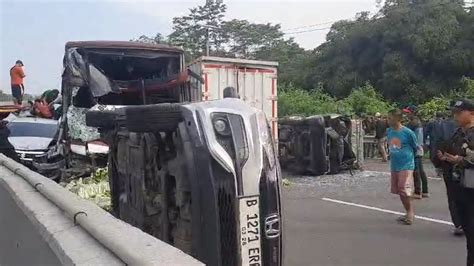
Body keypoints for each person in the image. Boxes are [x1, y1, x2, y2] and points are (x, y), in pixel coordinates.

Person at [437, 99, 474, 265]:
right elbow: (449, 151)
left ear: (471, 113)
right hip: (460, 187)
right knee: (468, 231)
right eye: (455, 112)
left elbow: (464, 159)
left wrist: (462, 160)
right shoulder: (457, 133)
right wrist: (442, 158)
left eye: (460, 112)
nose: (456, 116)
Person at [432, 114, 463, 236]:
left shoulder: (441, 125)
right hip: (457, 165)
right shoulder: (459, 129)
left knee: (453, 196)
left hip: (449, 165)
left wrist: (437, 162)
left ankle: (459, 223)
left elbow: (437, 143)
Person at [387, 108, 419, 225]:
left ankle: (410, 212)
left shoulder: (408, 132)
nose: (388, 120)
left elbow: (415, 147)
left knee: (404, 187)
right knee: (400, 190)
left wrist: (414, 159)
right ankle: (407, 211)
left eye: (390, 118)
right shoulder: (389, 131)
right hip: (395, 164)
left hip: (407, 164)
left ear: (398, 119)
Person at [405, 106, 429, 199]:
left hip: (415, 149)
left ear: (412, 113)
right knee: (421, 171)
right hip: (419, 148)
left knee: (416, 171)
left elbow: (414, 138)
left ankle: (418, 191)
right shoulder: (418, 122)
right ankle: (425, 191)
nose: (406, 114)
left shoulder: (413, 123)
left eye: (408, 112)